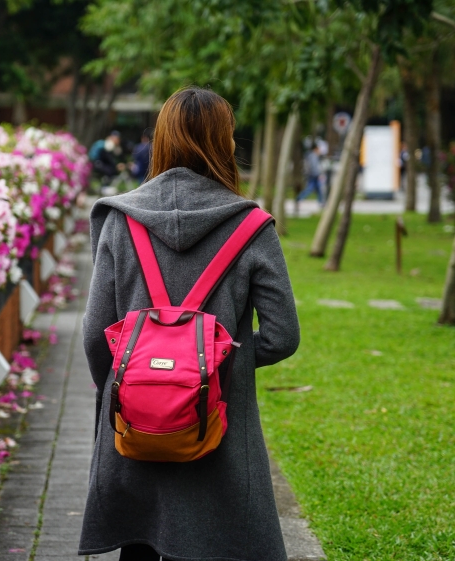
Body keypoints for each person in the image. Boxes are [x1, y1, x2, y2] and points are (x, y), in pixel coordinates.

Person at [79, 87, 300, 561]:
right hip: (215, 432)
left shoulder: (122, 221)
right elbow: (283, 336)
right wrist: (216, 368)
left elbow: (95, 335)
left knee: (138, 545)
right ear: (225, 142)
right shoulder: (252, 226)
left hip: (134, 426)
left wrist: (132, 385)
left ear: (160, 139)